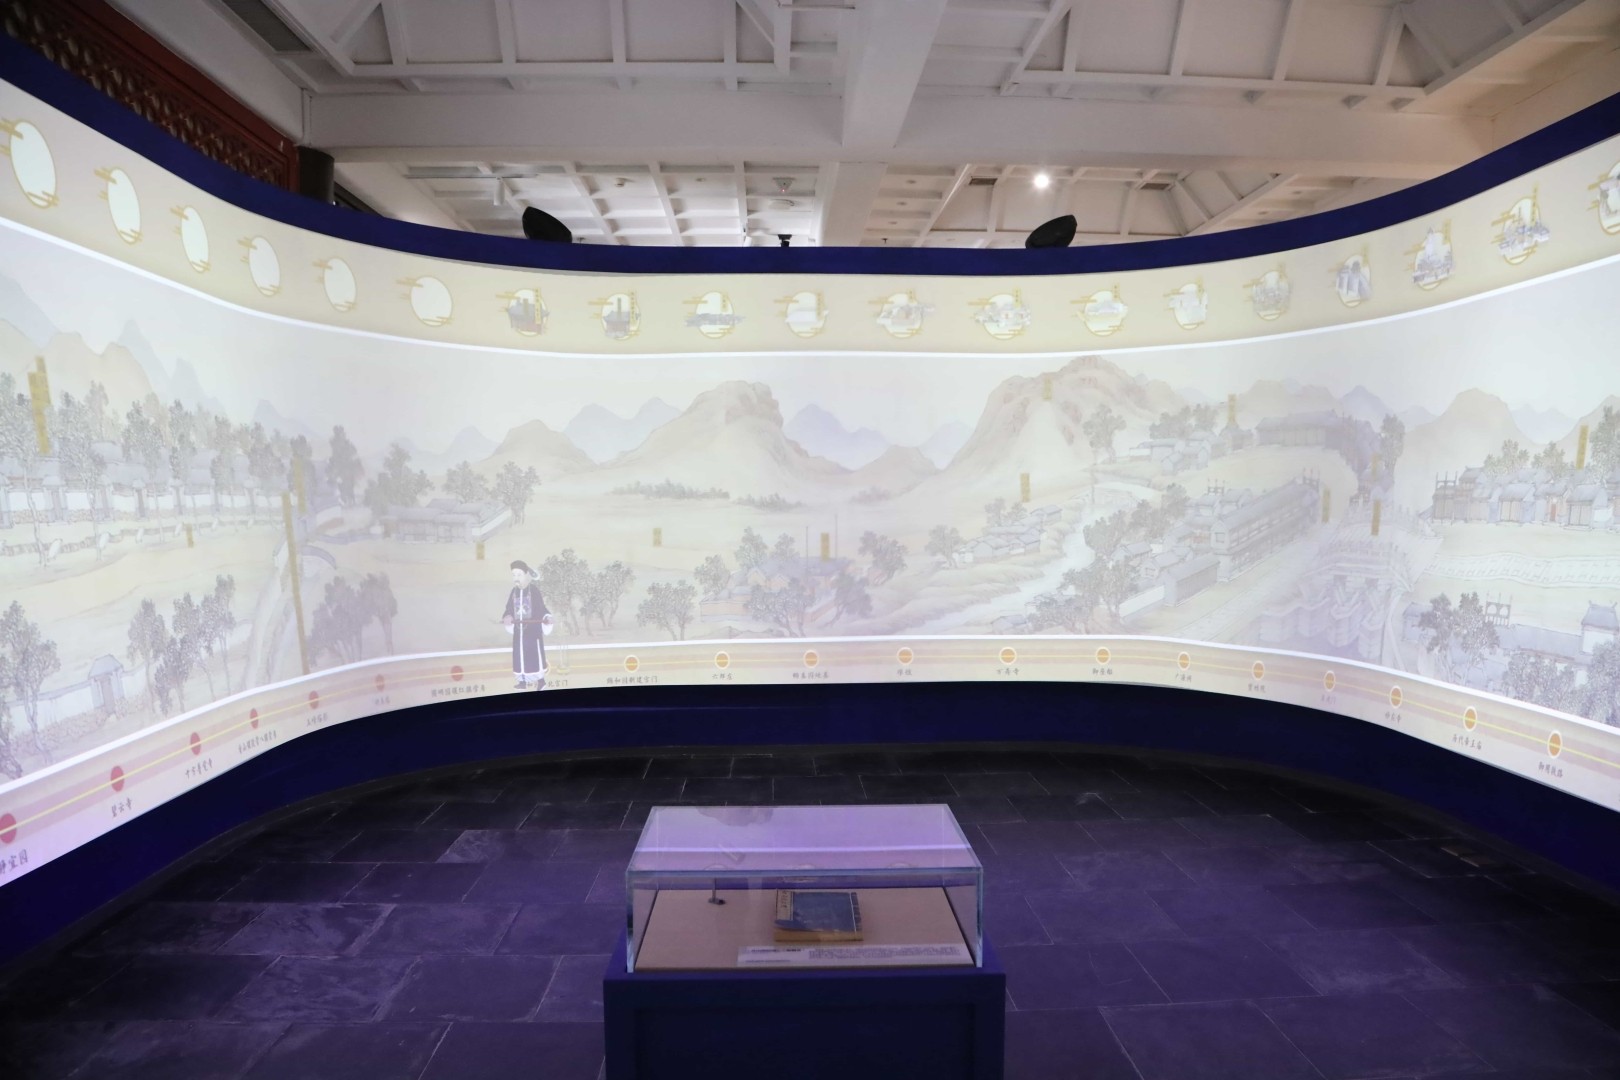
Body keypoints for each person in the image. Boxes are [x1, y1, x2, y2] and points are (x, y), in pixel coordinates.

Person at [502, 560, 553, 689]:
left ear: (526, 575)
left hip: (532, 632)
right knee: (519, 656)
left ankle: (541, 682)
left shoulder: (533, 590)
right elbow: (509, 609)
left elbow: (541, 609)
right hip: (518, 632)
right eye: (514, 575)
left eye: (519, 574)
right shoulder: (513, 592)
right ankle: (522, 682)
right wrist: (507, 616)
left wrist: (547, 617)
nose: (516, 578)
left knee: (534, 656)